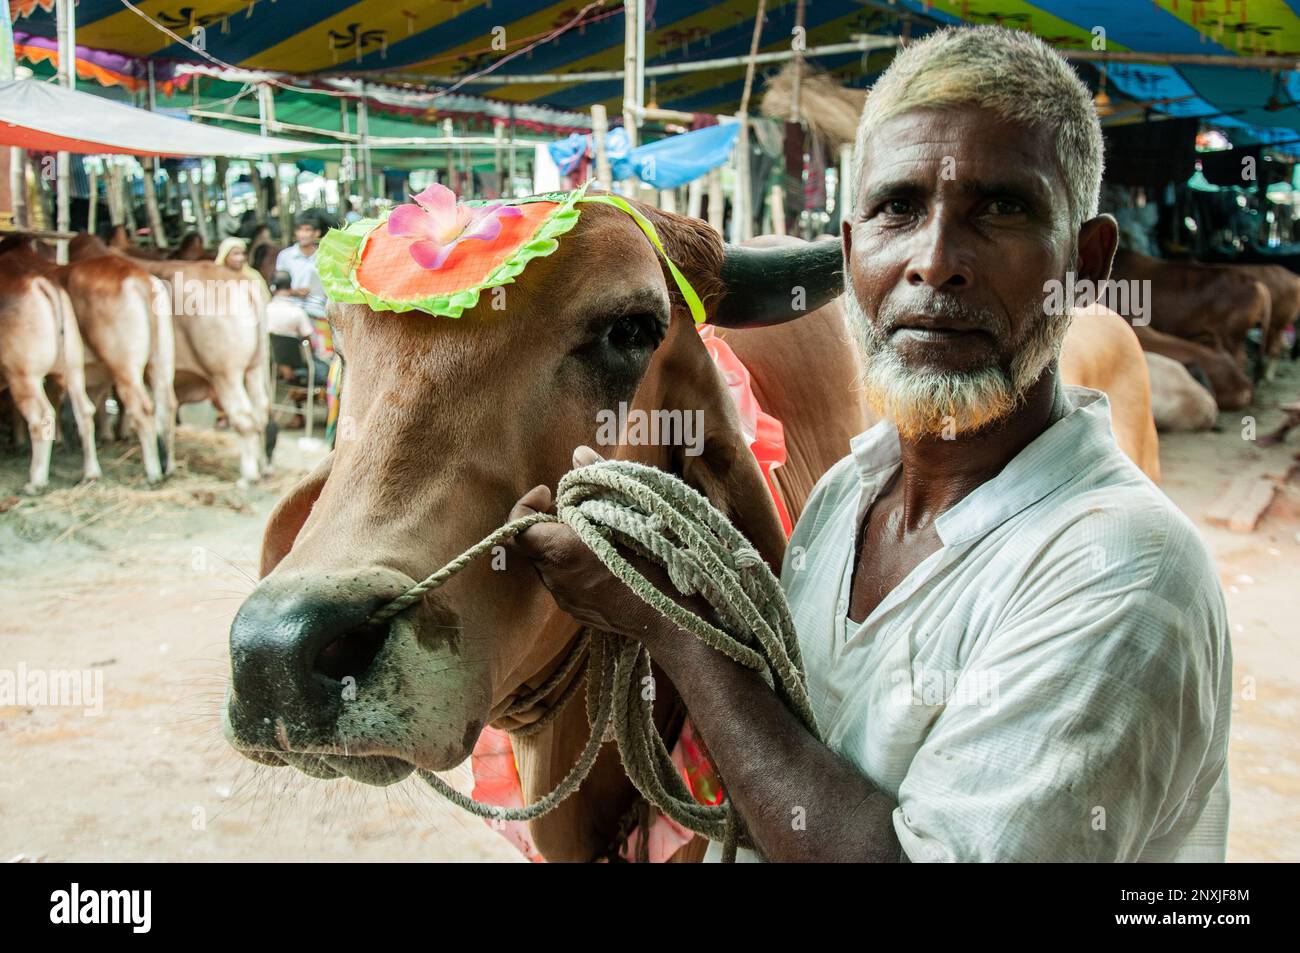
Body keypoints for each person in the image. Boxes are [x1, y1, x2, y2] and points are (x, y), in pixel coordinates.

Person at [507, 26, 1231, 862]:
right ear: (851, 256)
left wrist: (675, 631)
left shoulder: (1122, 568)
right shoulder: (845, 498)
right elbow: (780, 771)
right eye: (898, 208)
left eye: (1001, 207)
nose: (936, 262)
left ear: (1087, 262)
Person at [275, 214, 328, 320]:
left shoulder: (324, 257)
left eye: (307, 230)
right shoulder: (285, 256)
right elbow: (277, 287)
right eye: (299, 230)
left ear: (316, 233)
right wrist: (294, 291)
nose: (303, 234)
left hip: (318, 311)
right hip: (291, 309)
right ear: (296, 232)